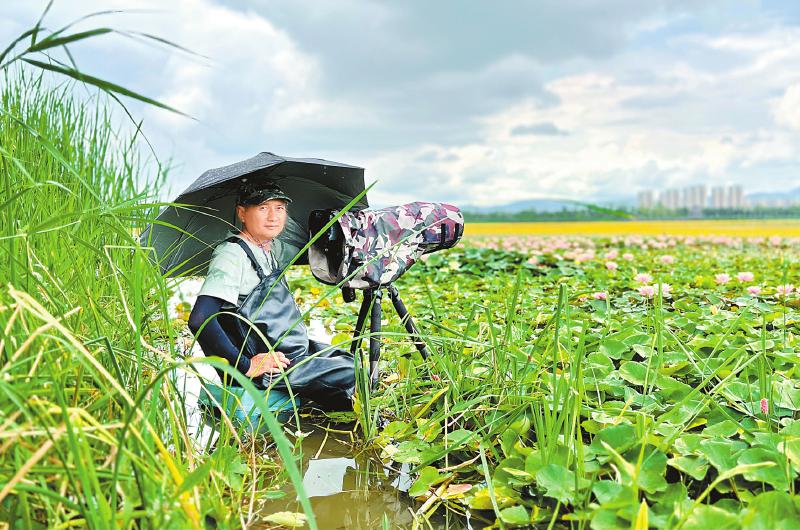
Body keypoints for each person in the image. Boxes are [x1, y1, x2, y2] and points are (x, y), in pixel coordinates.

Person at [188, 181, 355, 410]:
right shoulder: (231, 255)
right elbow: (200, 319)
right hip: (268, 365)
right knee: (354, 373)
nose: (273, 217)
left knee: (348, 358)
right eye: (263, 208)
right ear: (242, 212)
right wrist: (245, 366)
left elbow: (313, 248)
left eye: (280, 208)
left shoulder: (271, 248)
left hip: (290, 350)